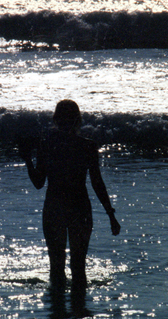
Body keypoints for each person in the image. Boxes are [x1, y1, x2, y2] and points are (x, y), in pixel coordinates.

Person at [19, 100, 121, 294]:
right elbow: (97, 183)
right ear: (78, 120)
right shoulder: (87, 146)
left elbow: (39, 183)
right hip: (79, 208)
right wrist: (110, 215)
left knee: (56, 269)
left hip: (54, 208)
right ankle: (79, 316)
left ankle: (58, 317)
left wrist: (27, 160)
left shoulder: (47, 145)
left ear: (55, 120)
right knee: (79, 268)